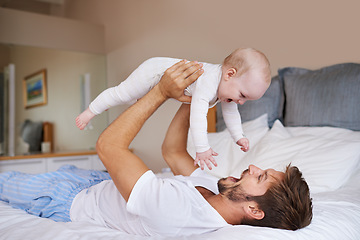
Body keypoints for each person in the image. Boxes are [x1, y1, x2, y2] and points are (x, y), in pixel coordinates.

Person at [0, 61, 312, 237]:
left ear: (254, 211)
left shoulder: (182, 212)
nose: (253, 167)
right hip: (97, 183)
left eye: (260, 178)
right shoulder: (218, 188)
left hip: (68, 199)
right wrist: (198, 96)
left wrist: (161, 92)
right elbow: (173, 152)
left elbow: (108, 146)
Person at [75, 48, 272, 170]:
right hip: (154, 71)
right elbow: (198, 117)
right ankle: (90, 111)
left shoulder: (227, 89)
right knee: (123, 94)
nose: (241, 102)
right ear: (230, 74)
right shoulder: (209, 82)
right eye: (243, 95)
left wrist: (239, 136)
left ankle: (131, 100)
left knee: (134, 99)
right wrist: (202, 149)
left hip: (163, 77)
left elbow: (231, 114)